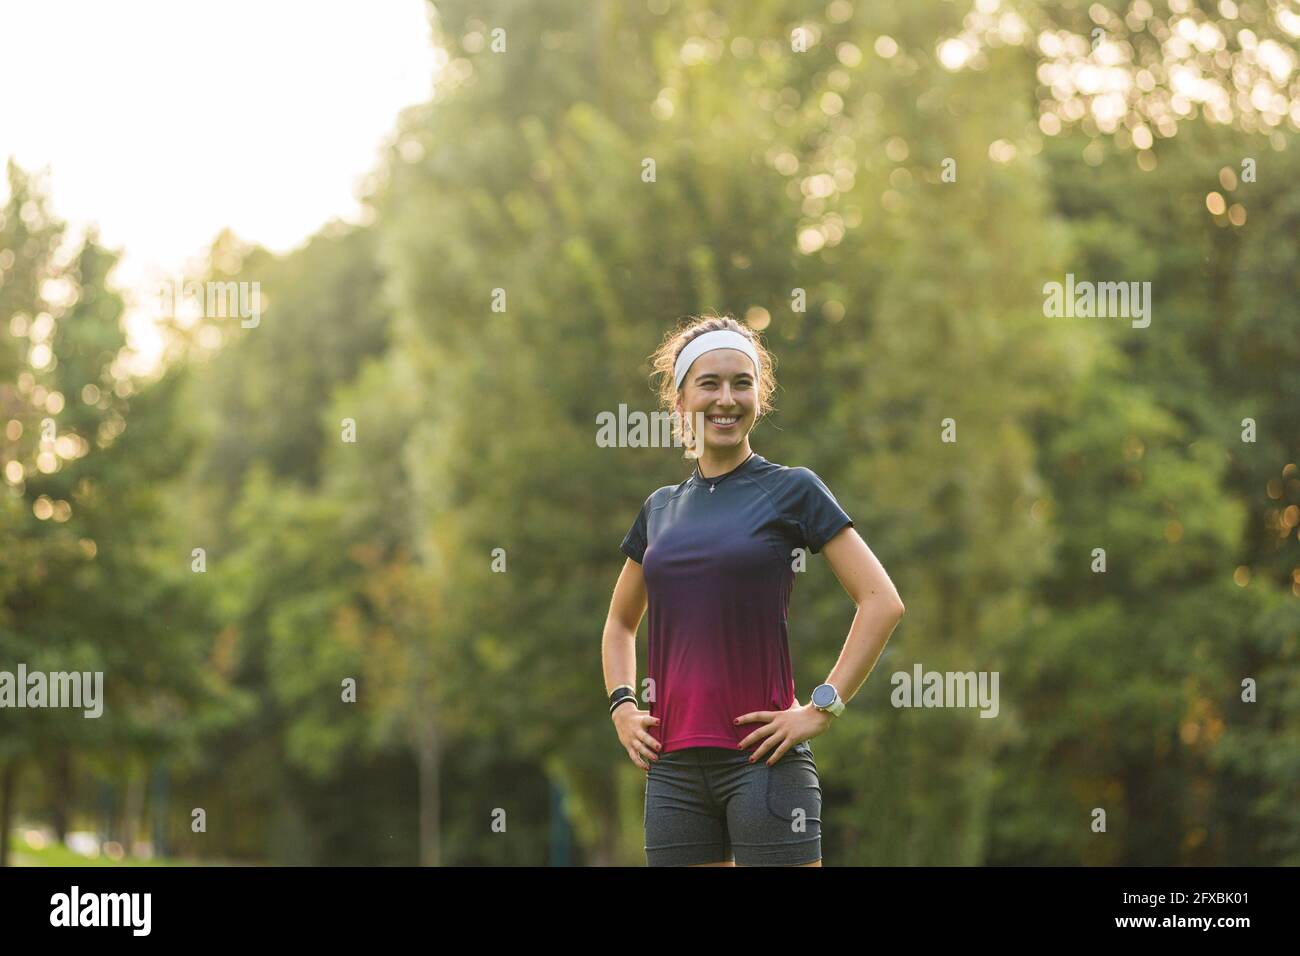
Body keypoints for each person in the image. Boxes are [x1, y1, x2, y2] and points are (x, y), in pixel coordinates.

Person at [602, 313, 906, 867]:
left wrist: (823, 706)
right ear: (680, 401)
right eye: (709, 383)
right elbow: (621, 624)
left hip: (763, 763)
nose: (726, 398)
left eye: (741, 383)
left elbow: (882, 601)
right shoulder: (659, 509)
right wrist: (623, 705)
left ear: (759, 397)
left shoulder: (792, 489)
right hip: (671, 771)